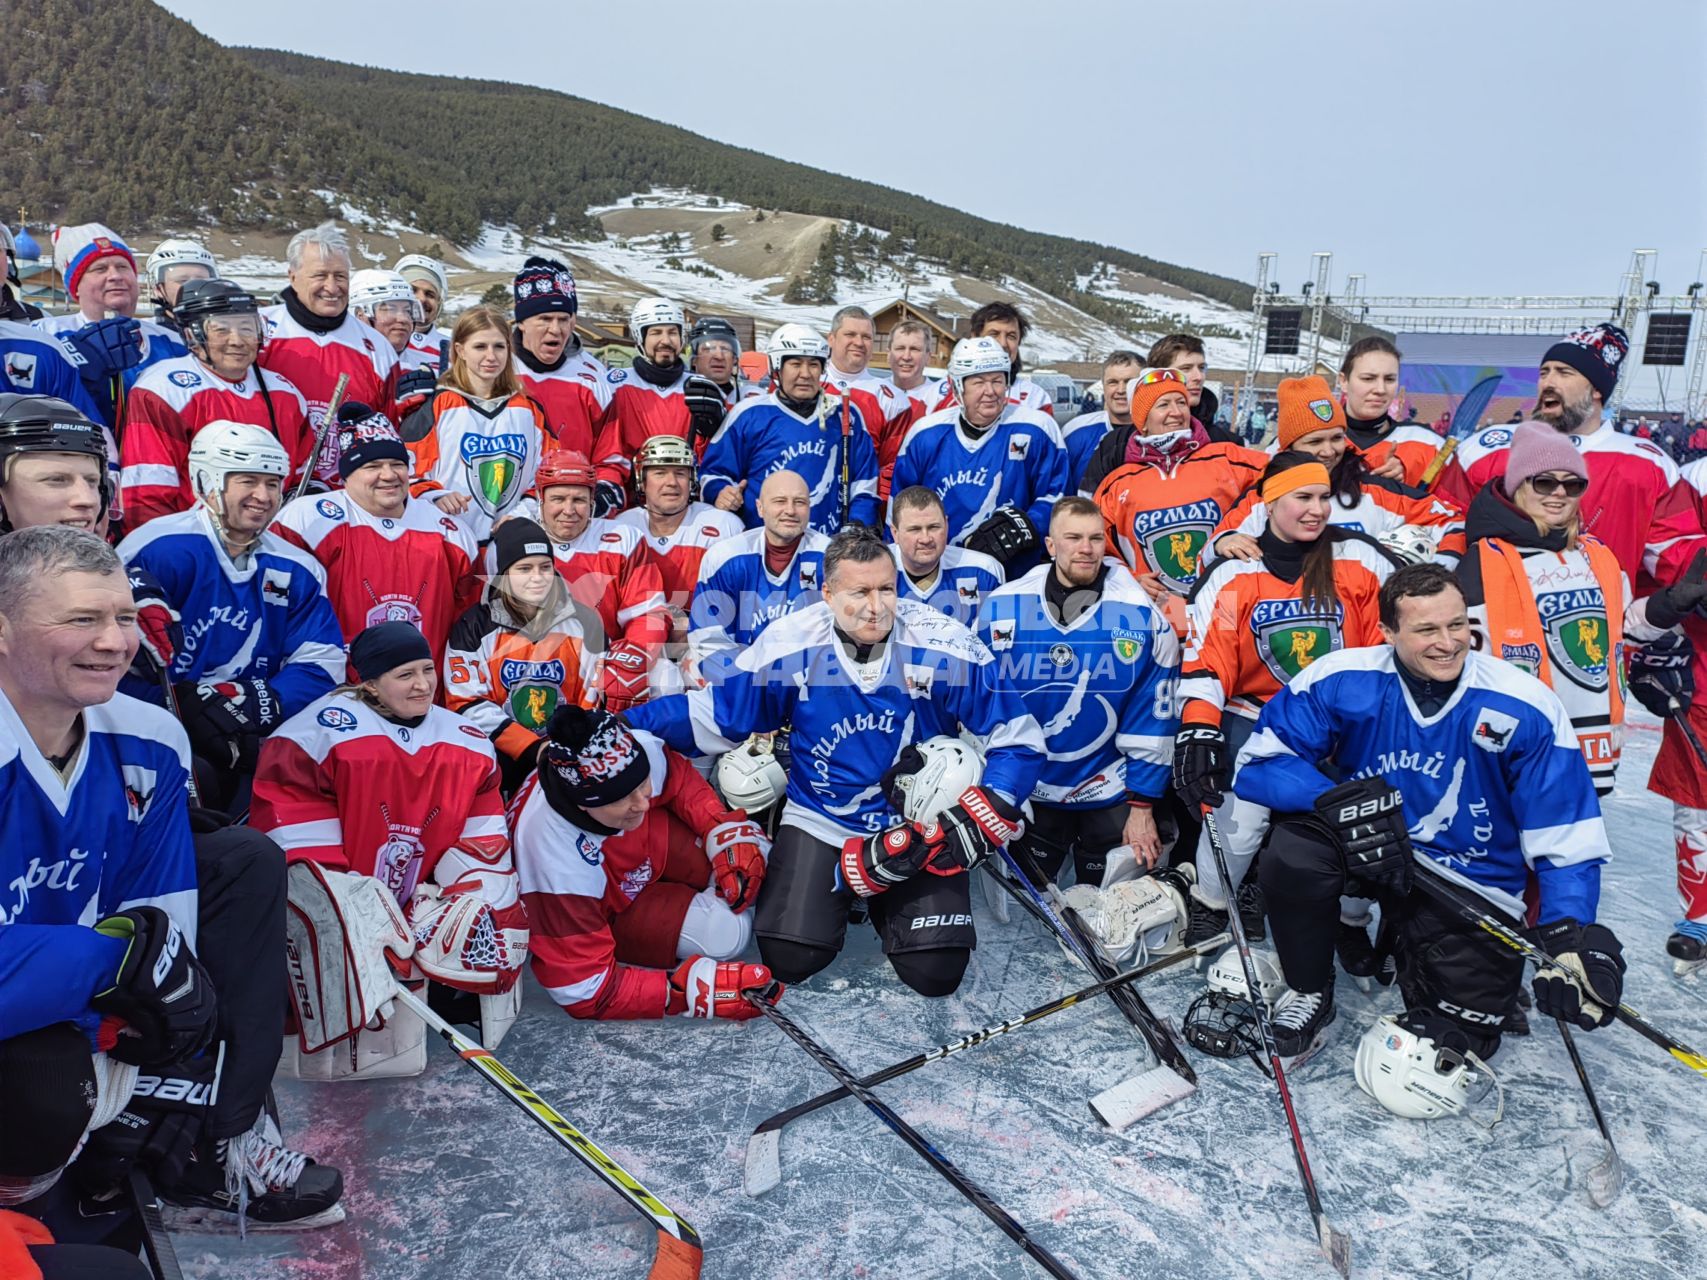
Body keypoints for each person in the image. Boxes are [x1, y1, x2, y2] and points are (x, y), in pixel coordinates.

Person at [0, 525, 343, 1235]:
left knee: (241, 869)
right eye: (82, 619)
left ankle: (209, 1140)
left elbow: (159, 926)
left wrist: (154, 1034)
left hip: (68, 989)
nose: (114, 641)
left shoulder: (149, 735)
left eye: (124, 617)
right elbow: (123, 955)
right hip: (34, 998)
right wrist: (109, 973)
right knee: (46, 1084)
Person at [627, 524, 1046, 995]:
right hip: (821, 817)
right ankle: (845, 895)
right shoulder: (790, 641)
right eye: (859, 592)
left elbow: (1019, 734)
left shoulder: (943, 641)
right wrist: (624, 725)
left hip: (913, 825)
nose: (876, 606)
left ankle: (888, 902)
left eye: (887, 589)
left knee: (936, 972)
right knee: (791, 956)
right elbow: (716, 716)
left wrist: (983, 809)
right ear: (827, 593)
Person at [1235, 564, 1623, 1067]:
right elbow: (1260, 763)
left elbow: (1566, 831)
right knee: (1295, 853)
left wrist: (1568, 931)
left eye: (1457, 625)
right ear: (1388, 632)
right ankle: (1309, 988)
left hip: (1468, 876)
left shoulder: (1524, 702)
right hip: (1367, 843)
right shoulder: (1342, 677)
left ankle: (1418, 948)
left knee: (1459, 1043)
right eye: (1426, 630)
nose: (1448, 643)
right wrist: (1339, 800)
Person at [251, 621, 530, 1075]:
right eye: (404, 675)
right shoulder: (312, 736)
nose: (422, 684)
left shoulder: (469, 741)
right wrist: (356, 921)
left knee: (476, 929)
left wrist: (463, 902)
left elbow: (483, 848)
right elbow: (305, 863)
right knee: (333, 956)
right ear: (370, 685)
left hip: (420, 906)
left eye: (427, 669)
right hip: (351, 904)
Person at [1174, 452, 1399, 967]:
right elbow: (1211, 659)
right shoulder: (1235, 571)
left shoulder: (1361, 560)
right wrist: (1198, 731)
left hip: (1340, 724)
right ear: (1270, 502)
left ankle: (1351, 918)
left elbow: (1386, 645)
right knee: (1239, 818)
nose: (1317, 509)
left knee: (1365, 814)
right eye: (1303, 497)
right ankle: (1211, 899)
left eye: (1323, 497)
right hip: (1257, 718)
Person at [116, 422, 344, 811]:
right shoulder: (160, 548)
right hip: (157, 734)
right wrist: (175, 707)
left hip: (252, 734)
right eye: (248, 481)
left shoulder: (297, 566)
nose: (263, 496)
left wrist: (261, 701)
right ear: (207, 481)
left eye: (272, 483)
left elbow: (322, 658)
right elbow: (114, 658)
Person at [510, 705, 780, 1020]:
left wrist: (720, 827)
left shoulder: (622, 745)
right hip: (612, 909)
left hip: (653, 846)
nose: (643, 801)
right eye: (622, 797)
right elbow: (586, 990)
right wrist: (685, 991)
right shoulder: (550, 861)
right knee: (726, 935)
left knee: (757, 851)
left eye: (643, 784)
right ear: (583, 804)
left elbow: (677, 779)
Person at [978, 497, 1179, 887]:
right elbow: (981, 703)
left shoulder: (1142, 617)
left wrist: (1142, 806)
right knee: (1025, 886)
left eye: (1094, 538)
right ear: (1051, 545)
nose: (1086, 549)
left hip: (1107, 784)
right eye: (1073, 538)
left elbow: (1153, 721)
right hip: (1029, 781)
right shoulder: (1003, 605)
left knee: (1106, 890)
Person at [1437, 324, 1702, 587]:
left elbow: (1677, 550)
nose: (1548, 382)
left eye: (1564, 373)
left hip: (1597, 621)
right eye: (1544, 372)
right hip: (1493, 616)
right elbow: (1444, 521)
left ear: (1596, 390)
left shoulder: (1648, 463)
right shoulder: (1486, 447)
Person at [272, 404, 479, 665]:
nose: (389, 475)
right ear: (347, 475)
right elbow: (275, 606)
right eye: (373, 466)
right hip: (332, 693)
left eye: (397, 464)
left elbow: (468, 626)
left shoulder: (452, 534)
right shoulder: (307, 520)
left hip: (421, 694)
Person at [1210, 375, 1464, 568]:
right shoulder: (1262, 498)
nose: (1329, 451)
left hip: (1367, 629)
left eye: (1336, 438)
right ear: (1290, 447)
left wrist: (1438, 571)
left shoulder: (1374, 491)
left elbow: (1452, 521)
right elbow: (1213, 550)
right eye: (1314, 442)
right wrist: (1222, 543)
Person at [120, 279, 313, 526]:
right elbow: (147, 490)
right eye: (221, 329)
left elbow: (301, 479)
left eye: (246, 328)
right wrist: (166, 550)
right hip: (194, 539)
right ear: (191, 333)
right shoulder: (163, 389)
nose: (237, 340)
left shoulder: (286, 394)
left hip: (269, 539)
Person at [1089, 368, 1268, 627]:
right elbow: (1095, 546)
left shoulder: (1228, 459)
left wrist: (1233, 529)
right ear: (1143, 420)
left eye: (1181, 402)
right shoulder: (1118, 484)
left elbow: (1285, 481)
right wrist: (1128, 578)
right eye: (1163, 404)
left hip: (1226, 614)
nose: (1176, 412)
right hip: (1157, 619)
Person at [445, 517, 600, 793]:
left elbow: (594, 695)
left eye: (545, 567)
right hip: (498, 757)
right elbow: (465, 703)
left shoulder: (584, 622)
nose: (537, 577)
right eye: (524, 568)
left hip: (571, 755)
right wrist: (531, 747)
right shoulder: (474, 626)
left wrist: (573, 744)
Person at [888, 336, 1068, 572]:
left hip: (1016, 574)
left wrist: (1025, 524)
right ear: (957, 387)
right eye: (979, 382)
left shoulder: (1038, 428)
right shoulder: (925, 434)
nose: (991, 391)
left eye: (997, 380)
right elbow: (900, 509)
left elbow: (1059, 499)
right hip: (941, 572)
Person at [515, 448, 670, 711]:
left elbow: (648, 614)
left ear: (593, 500)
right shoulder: (515, 539)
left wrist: (630, 660)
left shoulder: (623, 539)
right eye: (558, 498)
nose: (569, 510)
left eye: (579, 499)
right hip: (532, 662)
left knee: (666, 677)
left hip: (604, 661)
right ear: (540, 499)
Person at [700, 323, 880, 536]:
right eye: (795, 364)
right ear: (777, 366)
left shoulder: (845, 414)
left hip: (828, 546)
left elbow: (864, 482)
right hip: (762, 544)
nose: (805, 374)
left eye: (814, 364)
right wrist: (720, 492)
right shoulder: (750, 414)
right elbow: (713, 474)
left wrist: (858, 524)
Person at [258, 222, 402, 481]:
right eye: (320, 275)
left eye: (340, 276)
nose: (332, 287)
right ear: (292, 277)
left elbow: (390, 428)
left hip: (346, 495)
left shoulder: (376, 347)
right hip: (266, 489)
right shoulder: (259, 331)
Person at [400, 306, 547, 543]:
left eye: (499, 346)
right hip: (447, 539)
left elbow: (547, 476)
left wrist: (523, 512)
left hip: (509, 545)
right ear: (460, 350)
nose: (491, 356)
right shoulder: (438, 405)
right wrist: (435, 495)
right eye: (480, 346)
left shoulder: (529, 410)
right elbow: (406, 471)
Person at [612, 434, 744, 651]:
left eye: (680, 473)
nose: (671, 482)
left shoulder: (723, 525)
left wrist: (695, 626)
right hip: (638, 644)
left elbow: (739, 601)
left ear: (692, 480)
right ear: (641, 481)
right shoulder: (623, 528)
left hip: (705, 646)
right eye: (660, 472)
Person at [39, 225, 186, 413]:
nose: (115, 276)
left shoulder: (173, 341)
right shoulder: (47, 335)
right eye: (100, 269)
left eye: (122, 267)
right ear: (75, 287)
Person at [688, 469, 828, 665]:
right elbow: (707, 637)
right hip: (740, 677)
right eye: (780, 501)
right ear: (760, 508)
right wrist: (741, 686)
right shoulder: (725, 556)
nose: (790, 510)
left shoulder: (831, 558)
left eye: (800, 502)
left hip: (811, 679)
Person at [591, 297, 692, 512]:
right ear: (640, 336)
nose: (666, 340)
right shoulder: (615, 385)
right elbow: (607, 451)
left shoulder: (698, 389)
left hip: (682, 503)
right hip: (629, 505)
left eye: (672, 332)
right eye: (656, 332)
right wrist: (608, 486)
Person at [510, 257, 609, 458]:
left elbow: (609, 452)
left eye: (563, 319)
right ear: (522, 322)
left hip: (573, 487)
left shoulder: (592, 374)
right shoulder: (495, 367)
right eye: (545, 319)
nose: (555, 329)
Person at [821, 307, 912, 499]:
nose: (859, 343)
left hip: (860, 504)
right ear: (831, 338)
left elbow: (890, 468)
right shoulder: (807, 382)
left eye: (866, 337)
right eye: (850, 334)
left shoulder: (894, 400)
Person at [888, 485, 1004, 627]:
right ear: (895, 533)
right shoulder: (872, 570)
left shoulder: (985, 570)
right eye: (914, 529)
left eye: (934, 527)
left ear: (947, 525)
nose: (925, 539)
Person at [1335, 337, 1438, 486]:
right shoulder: (1313, 438)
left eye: (1389, 379)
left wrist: (1405, 484)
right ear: (1343, 381)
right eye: (1368, 378)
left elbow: (1448, 504)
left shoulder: (1426, 442)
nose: (1380, 390)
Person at [930, 301, 1055, 419]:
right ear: (975, 337)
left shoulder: (1036, 398)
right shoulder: (937, 394)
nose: (1003, 343)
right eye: (994, 334)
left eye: (1011, 336)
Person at [1063, 350, 1142, 492]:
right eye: (1113, 382)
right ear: (1103, 387)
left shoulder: (1159, 432)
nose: (1121, 390)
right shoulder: (1076, 430)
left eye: (1129, 382)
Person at [142, 239, 218, 338]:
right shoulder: (143, 335)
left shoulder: (230, 332)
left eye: (201, 280)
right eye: (182, 280)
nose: (194, 286)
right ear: (158, 289)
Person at [395, 253, 452, 377]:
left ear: (439, 304)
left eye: (430, 294)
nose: (421, 299)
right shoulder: (375, 341)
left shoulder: (457, 352)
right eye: (412, 290)